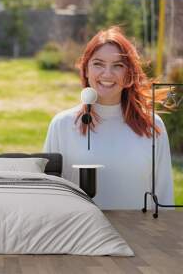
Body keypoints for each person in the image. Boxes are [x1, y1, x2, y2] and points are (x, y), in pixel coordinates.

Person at [43, 26, 174, 209]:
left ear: (129, 74)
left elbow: (164, 200)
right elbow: (49, 199)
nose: (107, 74)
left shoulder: (152, 127)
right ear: (86, 70)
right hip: (81, 237)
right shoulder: (61, 125)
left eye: (118, 66)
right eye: (98, 64)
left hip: (137, 237)